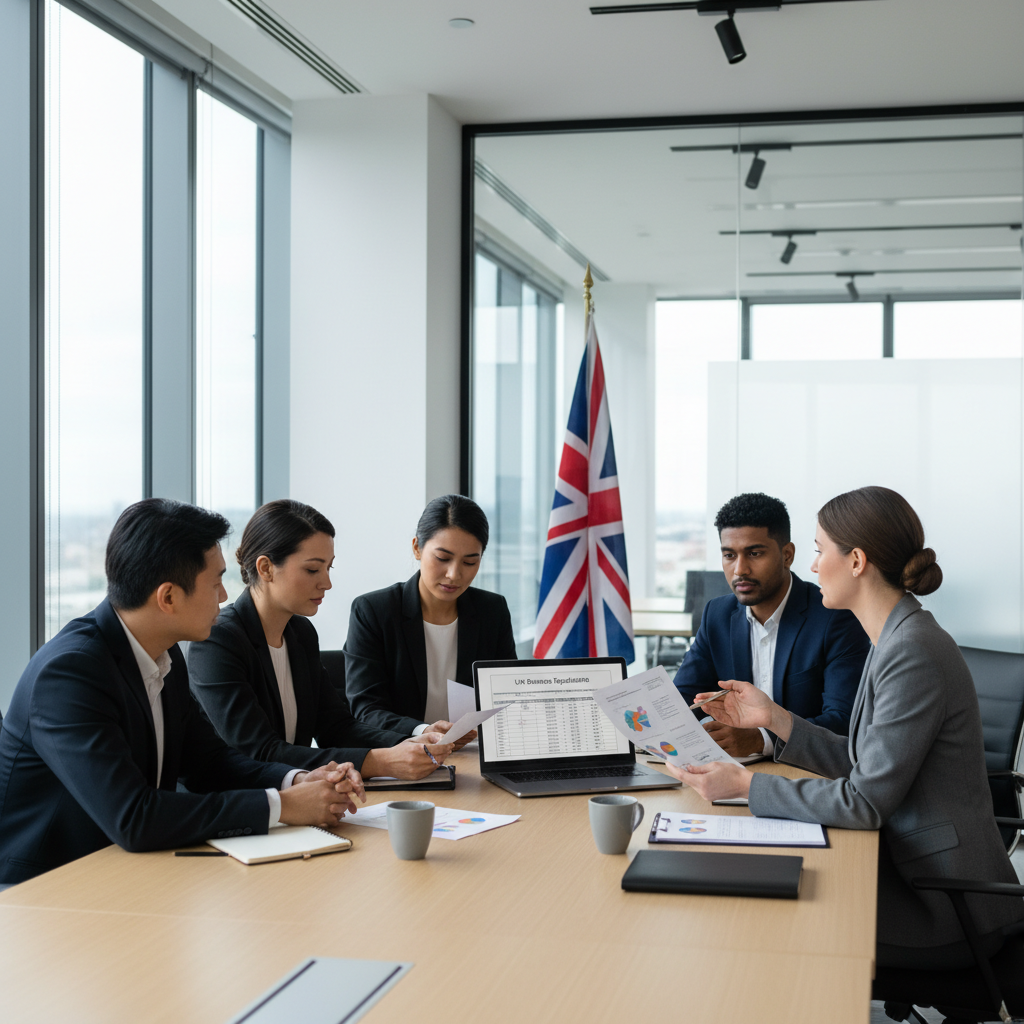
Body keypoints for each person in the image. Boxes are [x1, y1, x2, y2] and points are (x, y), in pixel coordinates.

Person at [673, 486, 1024, 968]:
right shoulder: (895, 637)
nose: (813, 566)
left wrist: (746, 784)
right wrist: (773, 718)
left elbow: (863, 802)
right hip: (911, 870)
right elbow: (864, 762)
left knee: (762, 924)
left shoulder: (912, 652)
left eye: (819, 552)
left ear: (856, 561)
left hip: (940, 903)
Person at [0, 499, 363, 886]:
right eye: (215, 582)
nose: (224, 596)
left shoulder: (162, 651)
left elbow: (210, 762)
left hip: (128, 871)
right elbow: (133, 817)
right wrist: (280, 806)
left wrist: (295, 780)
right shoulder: (70, 673)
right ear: (168, 597)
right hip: (45, 888)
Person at [189, 500, 453, 780]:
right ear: (266, 568)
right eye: (313, 570)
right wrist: (380, 762)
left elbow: (336, 727)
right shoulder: (218, 641)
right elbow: (260, 751)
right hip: (244, 808)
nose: (326, 583)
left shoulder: (300, 633)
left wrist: (404, 744)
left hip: (302, 798)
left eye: (329, 568)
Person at [674, 492, 868, 757]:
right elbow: (681, 701)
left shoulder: (835, 617)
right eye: (729, 555)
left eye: (754, 553)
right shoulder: (717, 615)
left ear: (787, 555)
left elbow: (844, 721)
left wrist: (761, 740)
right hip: (731, 773)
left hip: (807, 777)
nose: (740, 569)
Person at [345, 494, 517, 736]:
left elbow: (508, 696)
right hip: (403, 754)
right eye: (443, 558)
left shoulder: (492, 610)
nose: (454, 574)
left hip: (472, 753)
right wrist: (423, 731)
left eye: (469, 562)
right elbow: (366, 708)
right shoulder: (374, 611)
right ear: (417, 548)